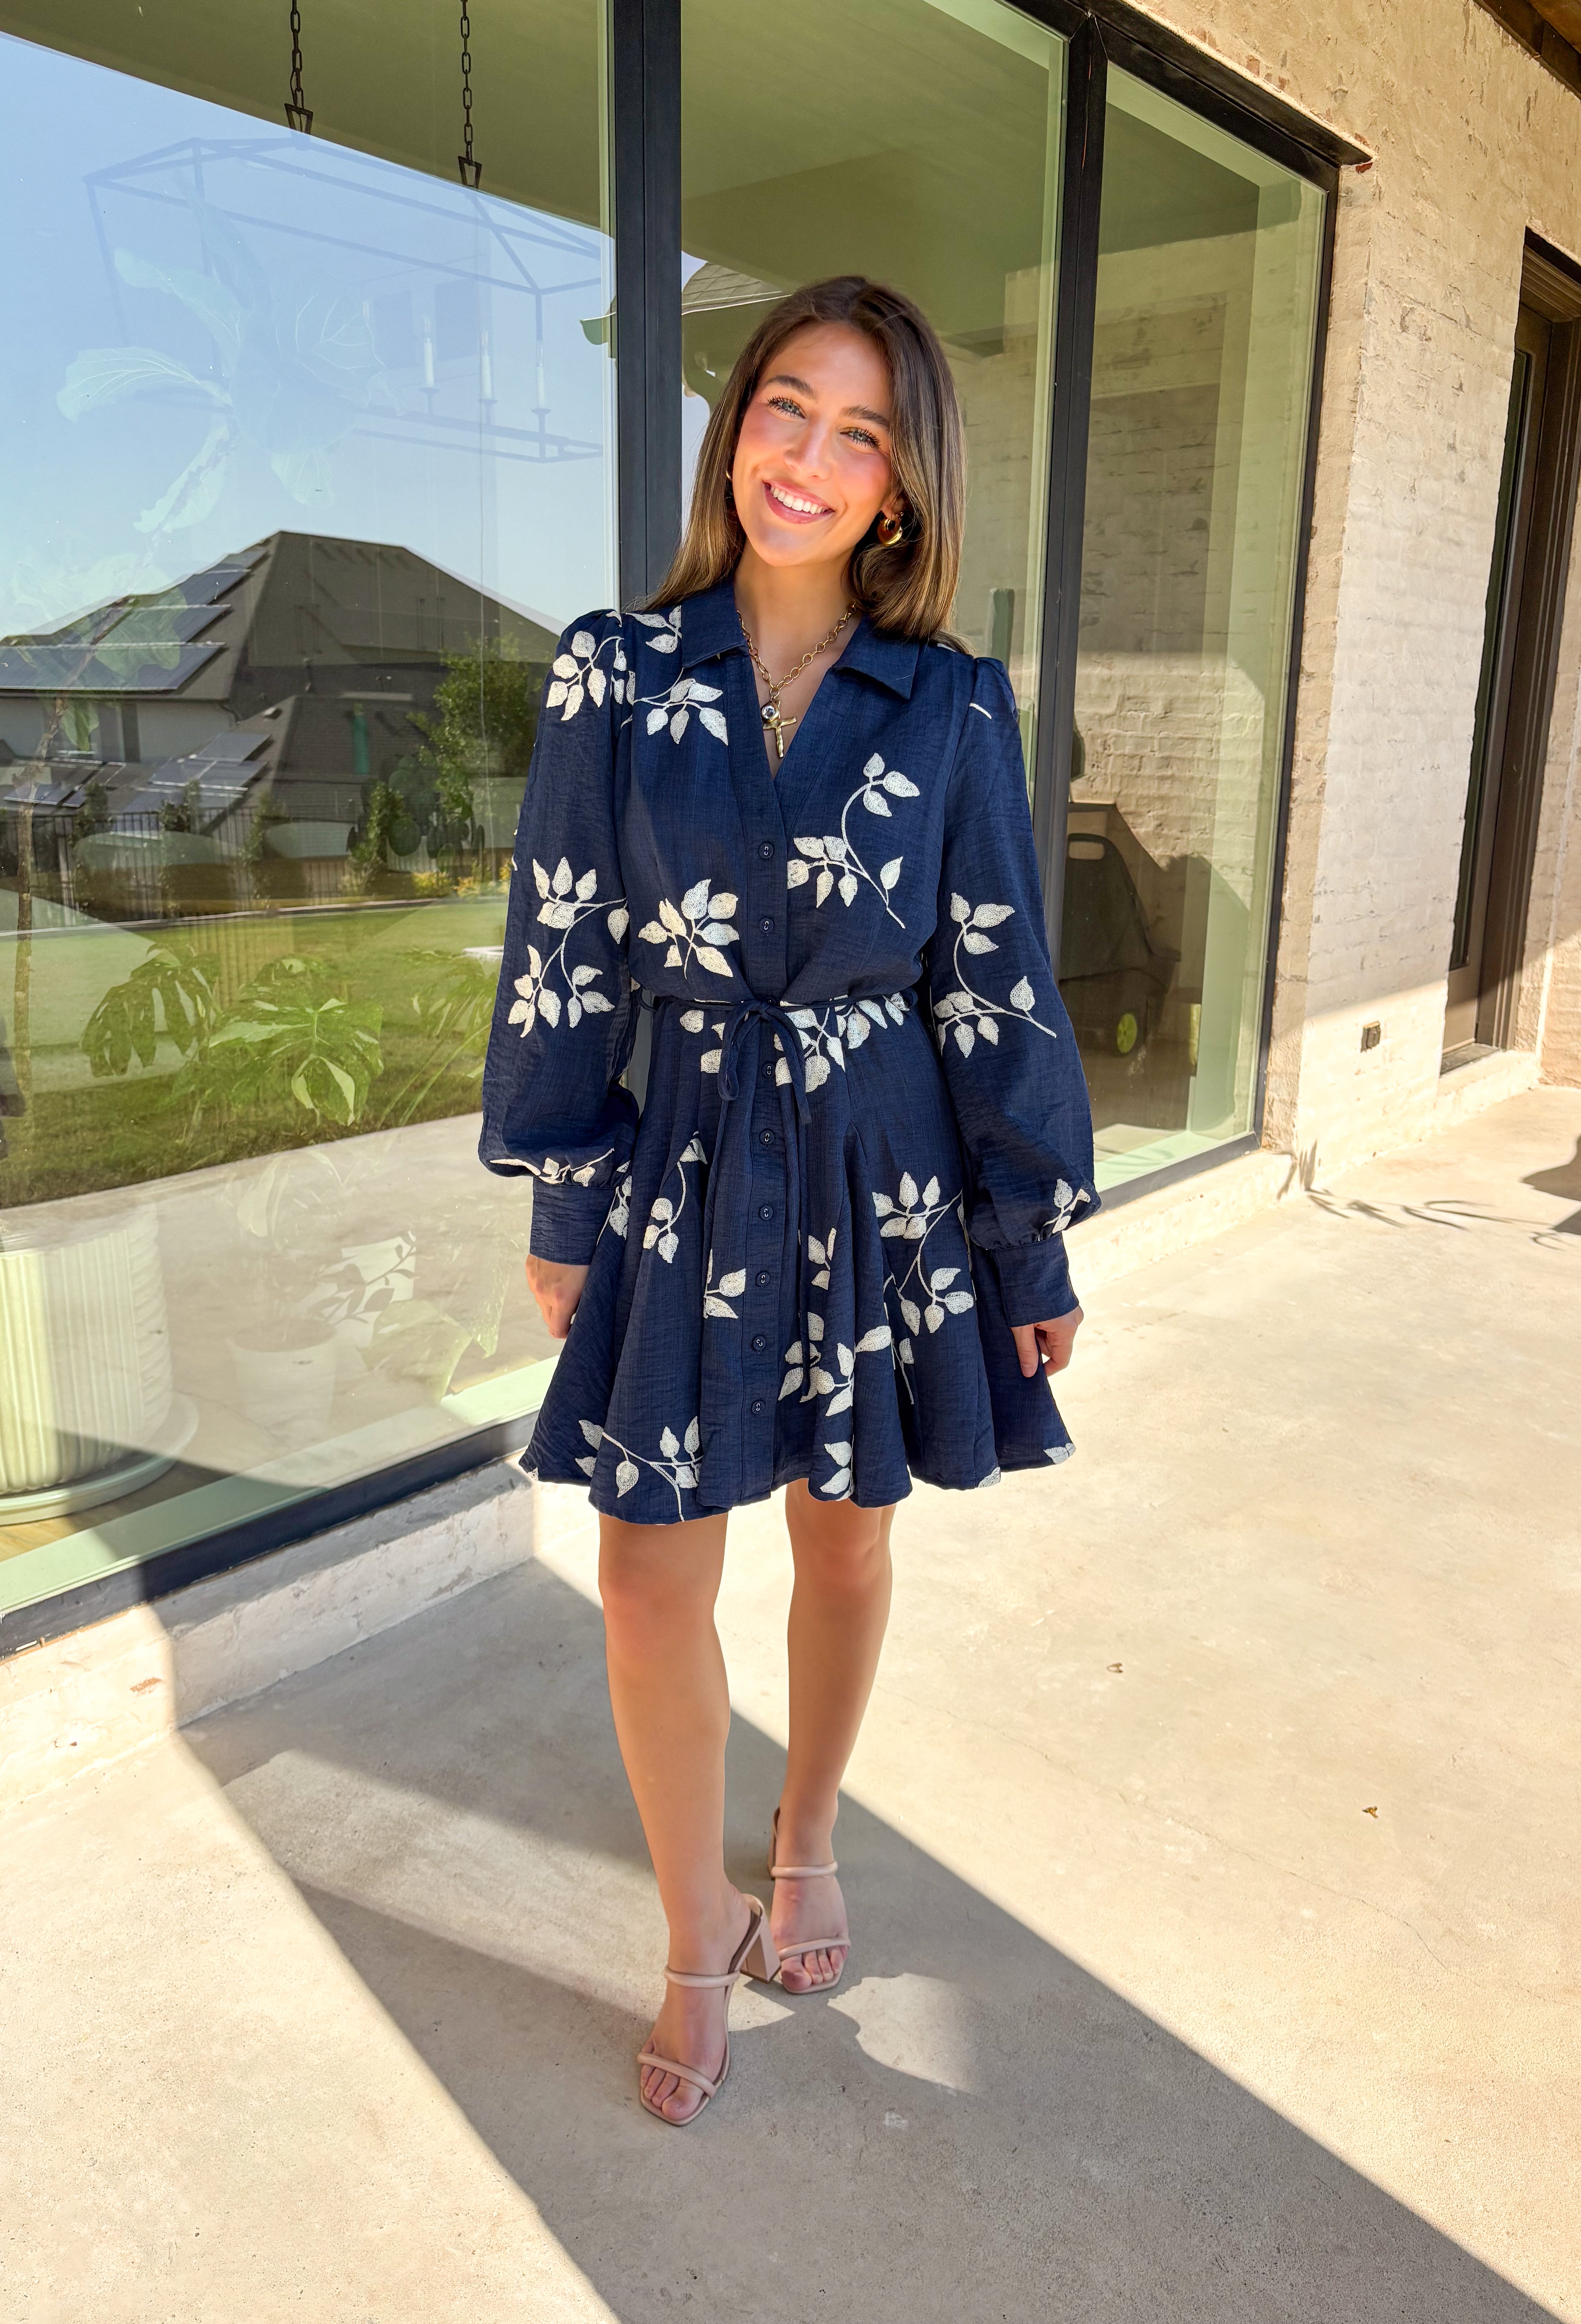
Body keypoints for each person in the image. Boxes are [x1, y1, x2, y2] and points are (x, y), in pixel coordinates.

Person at [480, 275, 1097, 2126]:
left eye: (860, 433)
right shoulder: (616, 670)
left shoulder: (953, 701)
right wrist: (565, 1202)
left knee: (845, 1537)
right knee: (644, 1574)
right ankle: (697, 1935)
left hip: (879, 1164)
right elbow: (564, 947)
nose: (808, 458)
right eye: (783, 409)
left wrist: (1025, 1240)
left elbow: (991, 975)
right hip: (680, 1160)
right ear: (734, 427)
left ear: (903, 485)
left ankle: (807, 1829)